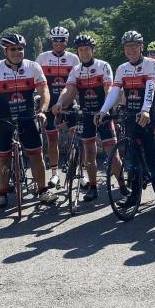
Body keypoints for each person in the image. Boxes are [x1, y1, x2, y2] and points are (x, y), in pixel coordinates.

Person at [95, 31, 155, 214]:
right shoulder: (122, 68)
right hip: (130, 116)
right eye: (127, 47)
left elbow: (150, 89)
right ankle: (134, 197)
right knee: (133, 160)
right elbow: (114, 91)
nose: (131, 50)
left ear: (141, 47)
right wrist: (103, 110)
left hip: (147, 116)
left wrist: (145, 110)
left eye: (134, 46)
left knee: (152, 160)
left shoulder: (151, 64)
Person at [0, 33, 55, 208]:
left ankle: (43, 191)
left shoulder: (33, 67)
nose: (17, 52)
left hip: (27, 117)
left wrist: (42, 111)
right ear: (5, 51)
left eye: (20, 49)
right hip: (3, 119)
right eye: (13, 49)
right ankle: (3, 194)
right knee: (2, 159)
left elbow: (44, 91)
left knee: (36, 155)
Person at [52, 34, 119, 202]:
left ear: (92, 50)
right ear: (77, 52)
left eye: (87, 49)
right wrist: (60, 103)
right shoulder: (76, 70)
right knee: (89, 153)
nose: (84, 53)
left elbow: (108, 89)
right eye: (81, 50)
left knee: (112, 152)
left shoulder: (103, 66)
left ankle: (123, 185)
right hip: (86, 115)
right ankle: (93, 187)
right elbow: (69, 90)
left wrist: (105, 111)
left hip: (102, 114)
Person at [36, 26, 80, 187]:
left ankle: (79, 172)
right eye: (55, 40)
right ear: (51, 41)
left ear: (66, 42)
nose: (58, 43)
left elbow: (76, 85)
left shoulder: (74, 58)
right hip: (49, 104)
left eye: (61, 40)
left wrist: (66, 103)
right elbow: (37, 82)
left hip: (69, 102)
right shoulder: (42, 57)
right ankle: (55, 174)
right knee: (52, 139)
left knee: (76, 137)